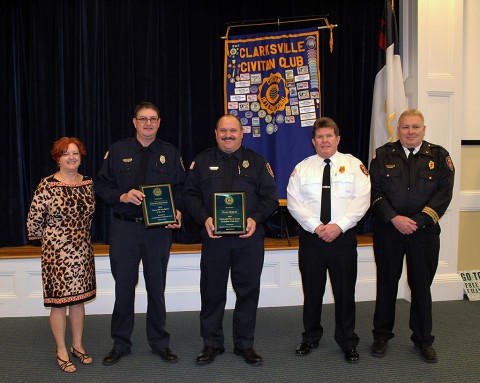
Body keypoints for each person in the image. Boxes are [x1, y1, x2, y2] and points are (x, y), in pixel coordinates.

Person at [183, 114, 278, 366]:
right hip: (214, 239)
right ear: (215, 133)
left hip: (248, 240)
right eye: (223, 130)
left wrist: (254, 219)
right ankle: (211, 343)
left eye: (233, 131)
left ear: (241, 133)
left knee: (248, 292)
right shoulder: (202, 162)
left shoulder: (257, 163)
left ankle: (244, 344)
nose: (228, 135)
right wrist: (204, 218)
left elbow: (270, 198)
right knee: (212, 292)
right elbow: (190, 195)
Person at [95, 101, 185, 366]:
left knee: (157, 289)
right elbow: (101, 184)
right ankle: (120, 343)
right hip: (125, 230)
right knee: (124, 289)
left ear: (159, 122)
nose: (148, 123)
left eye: (153, 119)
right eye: (143, 119)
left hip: (158, 232)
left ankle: (159, 342)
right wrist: (121, 195)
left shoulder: (169, 153)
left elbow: (181, 188)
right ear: (134, 122)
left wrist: (177, 210)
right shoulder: (118, 149)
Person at [369, 109, 454, 363]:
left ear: (424, 129)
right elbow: (373, 192)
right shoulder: (382, 155)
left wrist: (417, 221)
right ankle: (381, 336)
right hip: (389, 231)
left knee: (421, 286)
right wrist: (395, 218)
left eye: (415, 127)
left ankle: (423, 339)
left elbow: (444, 195)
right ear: (398, 129)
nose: (410, 132)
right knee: (386, 284)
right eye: (405, 127)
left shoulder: (439, 156)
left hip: (424, 233)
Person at [287, 117, 371, 363]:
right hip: (312, 240)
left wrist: (338, 226)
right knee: (312, 292)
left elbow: (362, 200)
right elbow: (294, 202)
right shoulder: (302, 168)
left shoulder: (354, 166)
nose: (324, 140)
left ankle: (347, 341)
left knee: (345, 292)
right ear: (313, 141)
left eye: (329, 136)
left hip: (342, 239)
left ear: (338, 139)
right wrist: (316, 226)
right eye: (320, 137)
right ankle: (310, 337)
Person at [27, 137, 96, 373]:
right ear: (58, 159)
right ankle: (61, 350)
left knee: (78, 301)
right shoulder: (46, 185)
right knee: (59, 304)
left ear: (80, 157)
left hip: (83, 251)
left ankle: (77, 345)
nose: (71, 157)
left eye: (75, 153)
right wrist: (51, 243)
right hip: (56, 255)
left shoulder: (88, 183)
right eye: (66, 154)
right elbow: (34, 220)